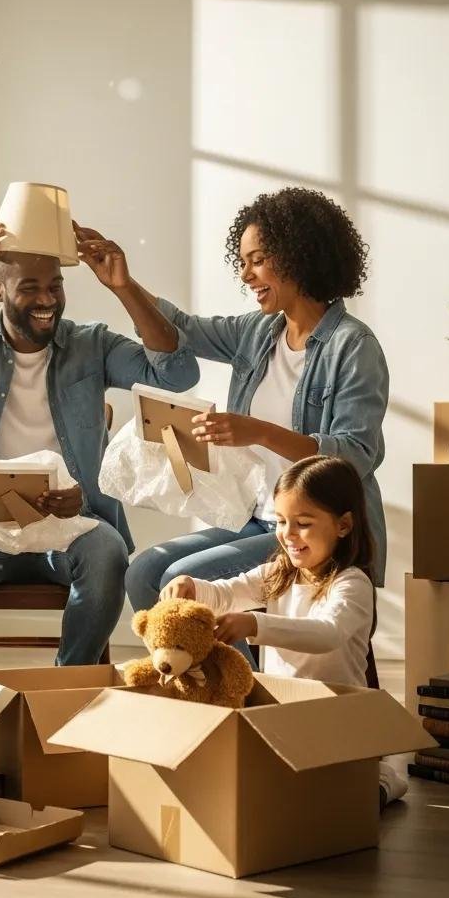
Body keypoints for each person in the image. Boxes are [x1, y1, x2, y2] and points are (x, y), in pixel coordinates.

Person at [0, 219, 199, 677]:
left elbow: (176, 375)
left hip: (74, 524)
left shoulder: (92, 344)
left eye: (55, 285)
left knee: (107, 553)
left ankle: (67, 686)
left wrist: (123, 287)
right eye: (30, 287)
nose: (47, 299)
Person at [115, 187, 389, 631]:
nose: (246, 274)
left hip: (314, 534)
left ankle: (241, 680)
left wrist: (258, 431)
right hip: (256, 519)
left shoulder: (353, 347)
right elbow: (181, 328)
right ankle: (216, 679)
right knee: (144, 573)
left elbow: (354, 454)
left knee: (177, 581)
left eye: (257, 260)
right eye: (242, 261)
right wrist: (122, 286)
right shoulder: (259, 332)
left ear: (298, 256)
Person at [161, 454, 405, 808]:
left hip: (335, 718)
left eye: (303, 523)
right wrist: (191, 586)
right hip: (282, 715)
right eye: (281, 521)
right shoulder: (279, 573)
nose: (288, 535)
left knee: (351, 792)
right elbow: (227, 592)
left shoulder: (351, 584)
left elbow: (326, 633)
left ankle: (386, 777)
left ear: (344, 525)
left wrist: (254, 623)